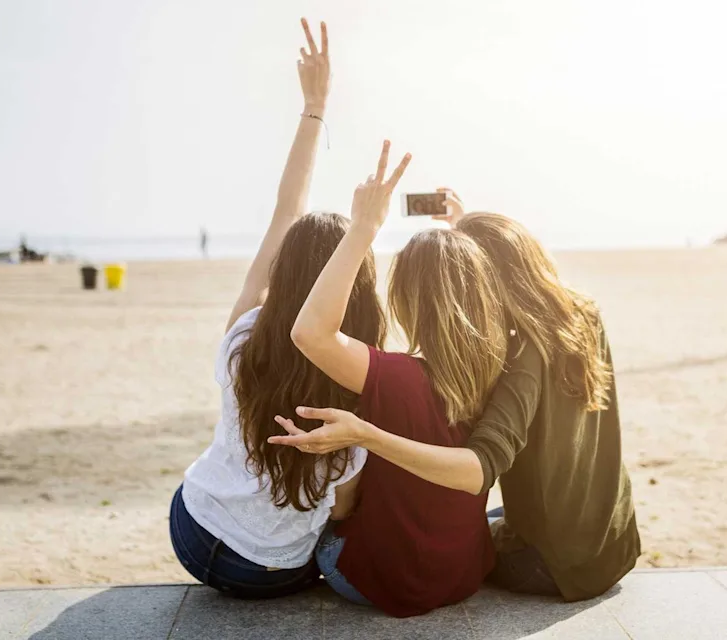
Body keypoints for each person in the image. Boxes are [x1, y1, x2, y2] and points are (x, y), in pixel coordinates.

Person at [272, 192, 641, 603]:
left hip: (554, 563)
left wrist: (366, 434)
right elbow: (508, 269)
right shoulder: (580, 313)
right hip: (612, 539)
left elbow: (477, 470)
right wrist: (466, 226)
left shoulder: (521, 360)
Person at [168, 19, 384, 599]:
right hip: (270, 572)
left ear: (284, 273)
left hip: (192, 533)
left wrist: (314, 108)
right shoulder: (358, 387)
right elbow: (342, 512)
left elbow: (286, 213)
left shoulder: (243, 335)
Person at [284, 146, 509, 617]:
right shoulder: (500, 367)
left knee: (319, 528)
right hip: (464, 574)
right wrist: (461, 231)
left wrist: (363, 229)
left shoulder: (389, 374)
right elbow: (482, 282)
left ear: (403, 296)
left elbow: (309, 332)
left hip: (378, 581)